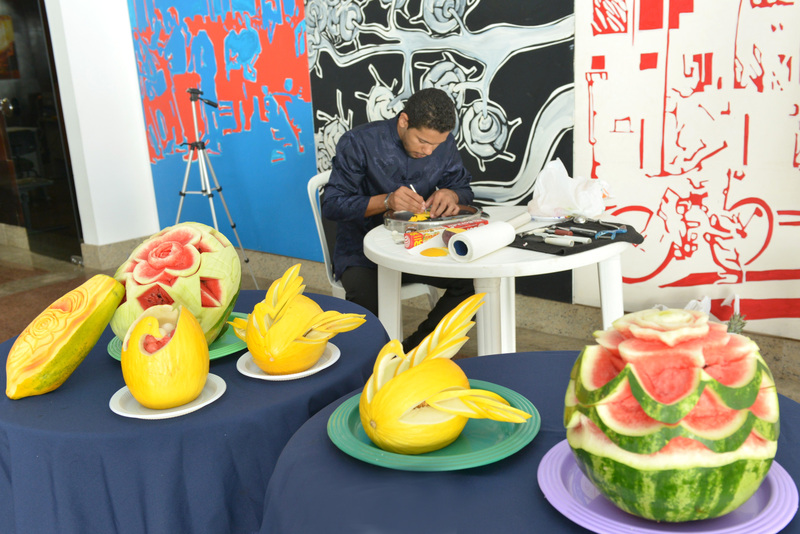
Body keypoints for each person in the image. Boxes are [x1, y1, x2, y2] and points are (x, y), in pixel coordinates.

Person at [322, 87, 475, 352]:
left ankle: (414, 352)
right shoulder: (358, 142)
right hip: (362, 254)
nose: (429, 151)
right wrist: (386, 201)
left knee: (472, 286)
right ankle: (371, 364)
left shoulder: (443, 144)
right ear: (404, 121)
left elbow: (463, 188)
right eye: (422, 141)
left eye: (436, 145)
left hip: (419, 246)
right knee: (366, 307)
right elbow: (332, 204)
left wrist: (451, 194)